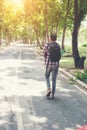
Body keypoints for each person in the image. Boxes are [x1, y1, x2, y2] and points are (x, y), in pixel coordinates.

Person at [43, 32, 61, 99]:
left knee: (46, 76)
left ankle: (48, 88)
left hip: (49, 64)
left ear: (50, 38)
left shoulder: (47, 45)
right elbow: (59, 56)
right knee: (54, 79)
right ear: (56, 38)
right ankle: (53, 95)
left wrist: (45, 62)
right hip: (56, 65)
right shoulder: (58, 45)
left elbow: (44, 54)